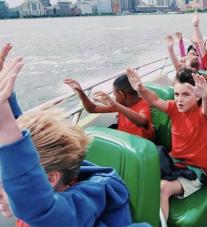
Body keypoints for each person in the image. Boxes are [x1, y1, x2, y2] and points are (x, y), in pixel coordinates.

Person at [0, 57, 151, 227]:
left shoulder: (81, 203)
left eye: (5, 182)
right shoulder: (52, 171)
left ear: (51, 179)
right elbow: (25, 152)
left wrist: (6, 127)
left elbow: (39, 210)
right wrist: (6, 102)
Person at [126, 67, 207, 220]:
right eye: (177, 94)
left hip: (196, 171)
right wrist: (141, 88)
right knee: (140, 174)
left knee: (162, 188)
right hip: (174, 163)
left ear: (197, 97)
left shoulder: (203, 115)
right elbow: (155, 100)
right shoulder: (174, 109)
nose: (179, 99)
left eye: (186, 95)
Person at [64, 75, 155, 142]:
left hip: (141, 148)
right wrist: (81, 93)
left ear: (122, 95)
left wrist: (114, 104)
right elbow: (92, 108)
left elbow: (141, 122)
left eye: (115, 95)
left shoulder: (143, 106)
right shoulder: (122, 105)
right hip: (124, 141)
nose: (114, 98)